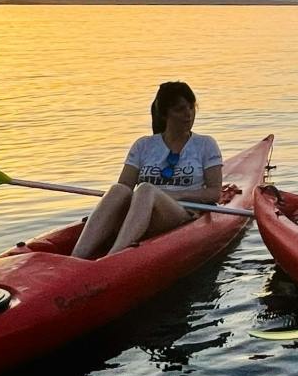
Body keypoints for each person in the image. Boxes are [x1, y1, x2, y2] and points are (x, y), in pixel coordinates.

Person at [72, 81, 225, 259]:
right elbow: (125, 186)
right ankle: (76, 256)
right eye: (180, 109)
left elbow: (214, 193)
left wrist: (175, 195)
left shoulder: (205, 144)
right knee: (118, 189)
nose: (188, 114)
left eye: (191, 108)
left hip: (180, 212)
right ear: (165, 114)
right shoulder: (143, 145)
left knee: (146, 189)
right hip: (142, 210)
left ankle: (113, 257)